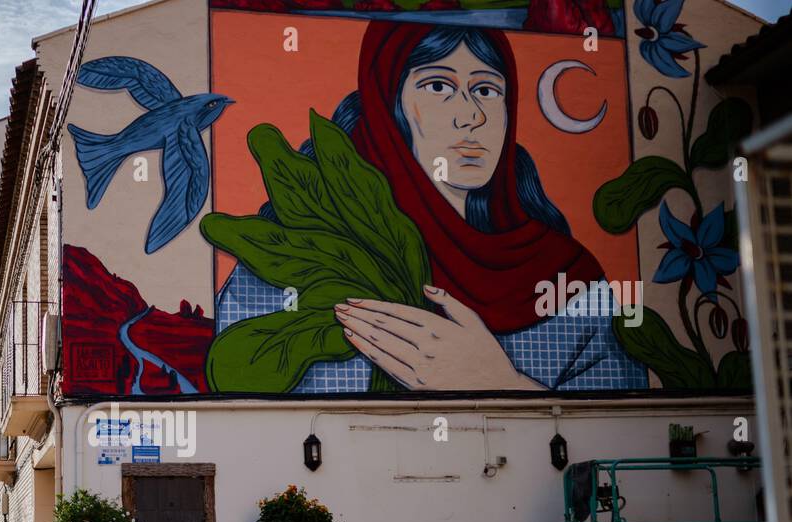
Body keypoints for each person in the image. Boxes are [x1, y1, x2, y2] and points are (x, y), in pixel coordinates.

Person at [216, 22, 646, 393]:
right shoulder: (295, 252)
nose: (471, 116)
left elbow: (617, 438)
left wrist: (501, 383)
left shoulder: (567, 277)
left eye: (486, 89)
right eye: (438, 86)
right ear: (390, 107)